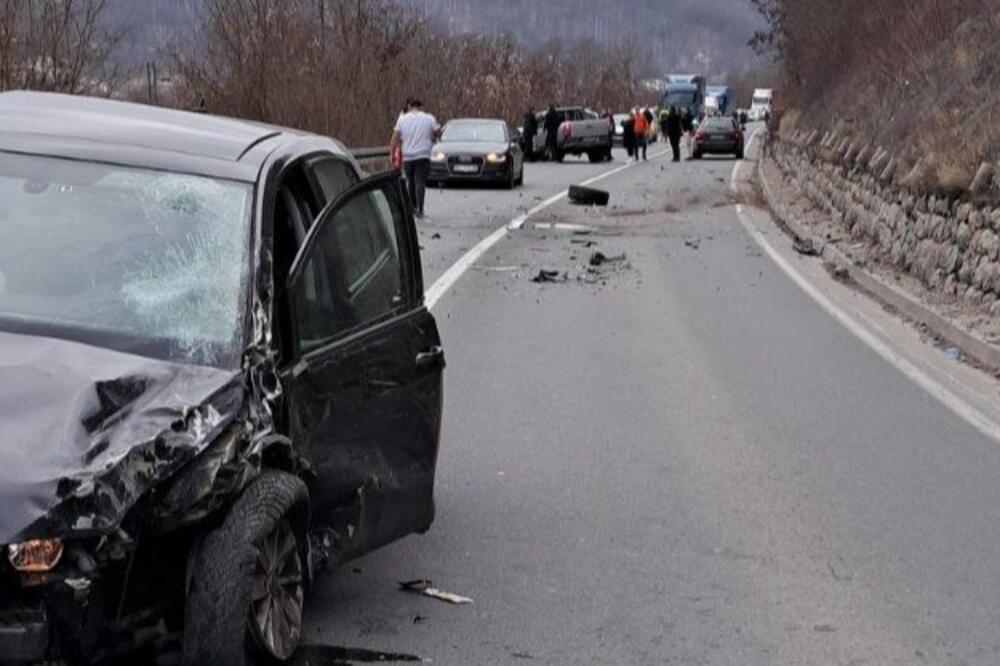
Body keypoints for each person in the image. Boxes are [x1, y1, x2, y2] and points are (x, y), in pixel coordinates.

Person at [391, 98, 440, 218]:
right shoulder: (429, 118)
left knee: (410, 181)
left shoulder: (402, 119)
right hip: (423, 155)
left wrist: (392, 153)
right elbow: (438, 132)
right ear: (421, 107)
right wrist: (433, 137)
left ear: (410, 106)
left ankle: (412, 207)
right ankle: (420, 209)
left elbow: (395, 137)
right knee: (420, 182)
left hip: (408, 156)